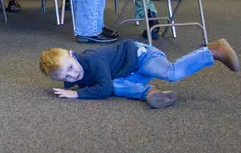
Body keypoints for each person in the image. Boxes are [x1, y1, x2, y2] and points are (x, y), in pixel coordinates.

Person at [39, 38, 239, 109]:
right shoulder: (72, 74)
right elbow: (102, 86)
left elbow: (102, 88)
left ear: (73, 55)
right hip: (129, 71)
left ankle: (213, 50)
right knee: (115, 86)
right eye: (66, 77)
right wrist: (64, 84)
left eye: (71, 68)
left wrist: (77, 94)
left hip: (141, 56)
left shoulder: (92, 59)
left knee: (171, 73)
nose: (73, 77)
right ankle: (150, 92)